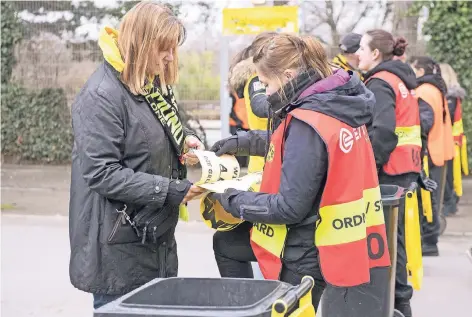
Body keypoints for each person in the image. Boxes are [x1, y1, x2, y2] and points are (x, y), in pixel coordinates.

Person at [211, 33, 390, 316]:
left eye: (266, 84)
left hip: (307, 247)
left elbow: (289, 206)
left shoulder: (308, 120)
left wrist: (231, 199)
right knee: (227, 243)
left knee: (231, 246)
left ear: (288, 75)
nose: (266, 93)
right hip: (334, 235)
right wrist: (243, 142)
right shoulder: (333, 102)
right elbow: (293, 144)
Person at [68, 1, 206, 310]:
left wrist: (181, 147)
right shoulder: (101, 95)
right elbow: (102, 173)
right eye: (163, 48)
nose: (170, 56)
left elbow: (146, 140)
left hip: (151, 239)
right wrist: (172, 191)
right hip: (117, 251)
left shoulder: (144, 84)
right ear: (140, 43)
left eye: (173, 48)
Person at [356, 29, 422, 317]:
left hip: (389, 173)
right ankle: (399, 305)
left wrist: (366, 169)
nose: (356, 53)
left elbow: (383, 133)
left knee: (389, 245)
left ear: (375, 54)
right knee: (396, 242)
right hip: (405, 169)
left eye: (361, 47)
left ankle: (396, 306)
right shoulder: (399, 78)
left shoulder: (380, 82)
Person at [409, 56, 455, 256]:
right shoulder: (435, 89)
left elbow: (424, 122)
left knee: (427, 199)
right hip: (439, 150)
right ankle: (430, 240)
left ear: (419, 71)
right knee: (432, 197)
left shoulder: (423, 92)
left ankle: (429, 242)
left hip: (429, 153)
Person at [228, 32, 277, 173]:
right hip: (264, 164)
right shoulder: (258, 79)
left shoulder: (266, 77)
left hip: (268, 159)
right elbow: (262, 108)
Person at [439, 63, 466, 216]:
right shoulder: (454, 97)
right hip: (453, 140)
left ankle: (450, 202)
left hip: (451, 141)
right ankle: (451, 200)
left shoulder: (450, 98)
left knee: (448, 175)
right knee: (449, 175)